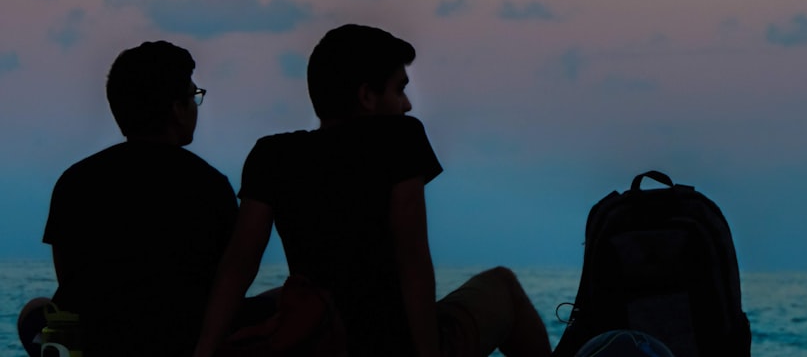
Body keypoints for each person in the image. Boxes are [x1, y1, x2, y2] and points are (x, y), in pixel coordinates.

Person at [194, 23, 553, 357]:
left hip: (320, 339)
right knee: (503, 286)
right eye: (400, 89)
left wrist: (204, 351)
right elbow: (411, 258)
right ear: (367, 96)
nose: (408, 105)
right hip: (392, 341)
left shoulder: (270, 155)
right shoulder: (400, 138)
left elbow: (240, 263)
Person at [19, 41, 241, 357]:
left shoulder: (75, 182)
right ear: (177, 110)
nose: (195, 106)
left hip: (96, 343)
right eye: (193, 97)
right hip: (185, 340)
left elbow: (69, 282)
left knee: (36, 309)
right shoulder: (210, 185)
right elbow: (226, 281)